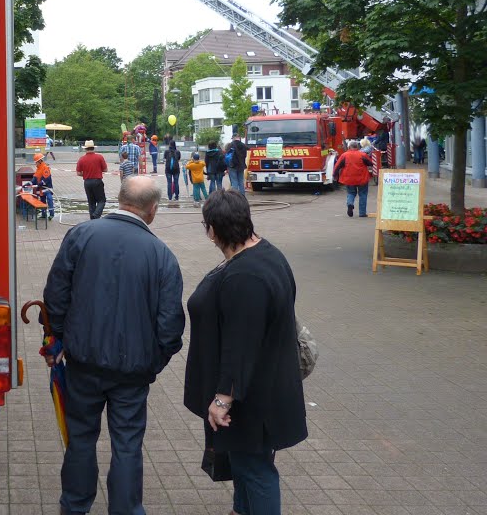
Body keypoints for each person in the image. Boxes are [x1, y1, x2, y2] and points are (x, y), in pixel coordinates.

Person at [44, 176, 185, 515]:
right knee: (127, 446)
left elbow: (55, 294)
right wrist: (154, 361)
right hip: (132, 372)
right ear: (152, 210)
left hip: (82, 362)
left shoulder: (81, 235)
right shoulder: (162, 255)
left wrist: (58, 339)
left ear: (119, 199)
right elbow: (170, 324)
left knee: (80, 439)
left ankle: (74, 507)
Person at [184, 189, 308, 515]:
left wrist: (223, 398)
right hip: (265, 386)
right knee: (243, 461)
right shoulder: (266, 253)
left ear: (212, 229)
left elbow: (241, 344)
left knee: (255, 469)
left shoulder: (245, 277)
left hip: (252, 398)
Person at [333, 140, 373, 218]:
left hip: (349, 179)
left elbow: (337, 166)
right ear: (357, 147)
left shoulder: (344, 155)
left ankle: (350, 204)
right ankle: (362, 213)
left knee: (351, 193)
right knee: (363, 194)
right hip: (362, 178)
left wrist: (335, 175)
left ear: (349, 147)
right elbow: (370, 163)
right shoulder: (362, 155)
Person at [76, 140, 108, 219]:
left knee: (91, 202)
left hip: (87, 182)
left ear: (85, 149)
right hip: (97, 181)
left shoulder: (81, 159)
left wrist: (86, 174)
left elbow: (78, 173)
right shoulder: (99, 157)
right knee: (101, 201)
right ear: (93, 148)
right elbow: (105, 170)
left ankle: (92, 219)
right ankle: (96, 215)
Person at [32, 152, 56, 220]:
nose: (35, 163)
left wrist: (40, 183)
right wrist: (30, 183)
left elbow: (46, 178)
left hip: (47, 188)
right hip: (40, 189)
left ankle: (51, 214)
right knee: (42, 201)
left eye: (36, 162)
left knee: (49, 199)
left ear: (39, 161)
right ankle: (43, 214)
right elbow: (35, 177)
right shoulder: (38, 169)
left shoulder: (45, 168)